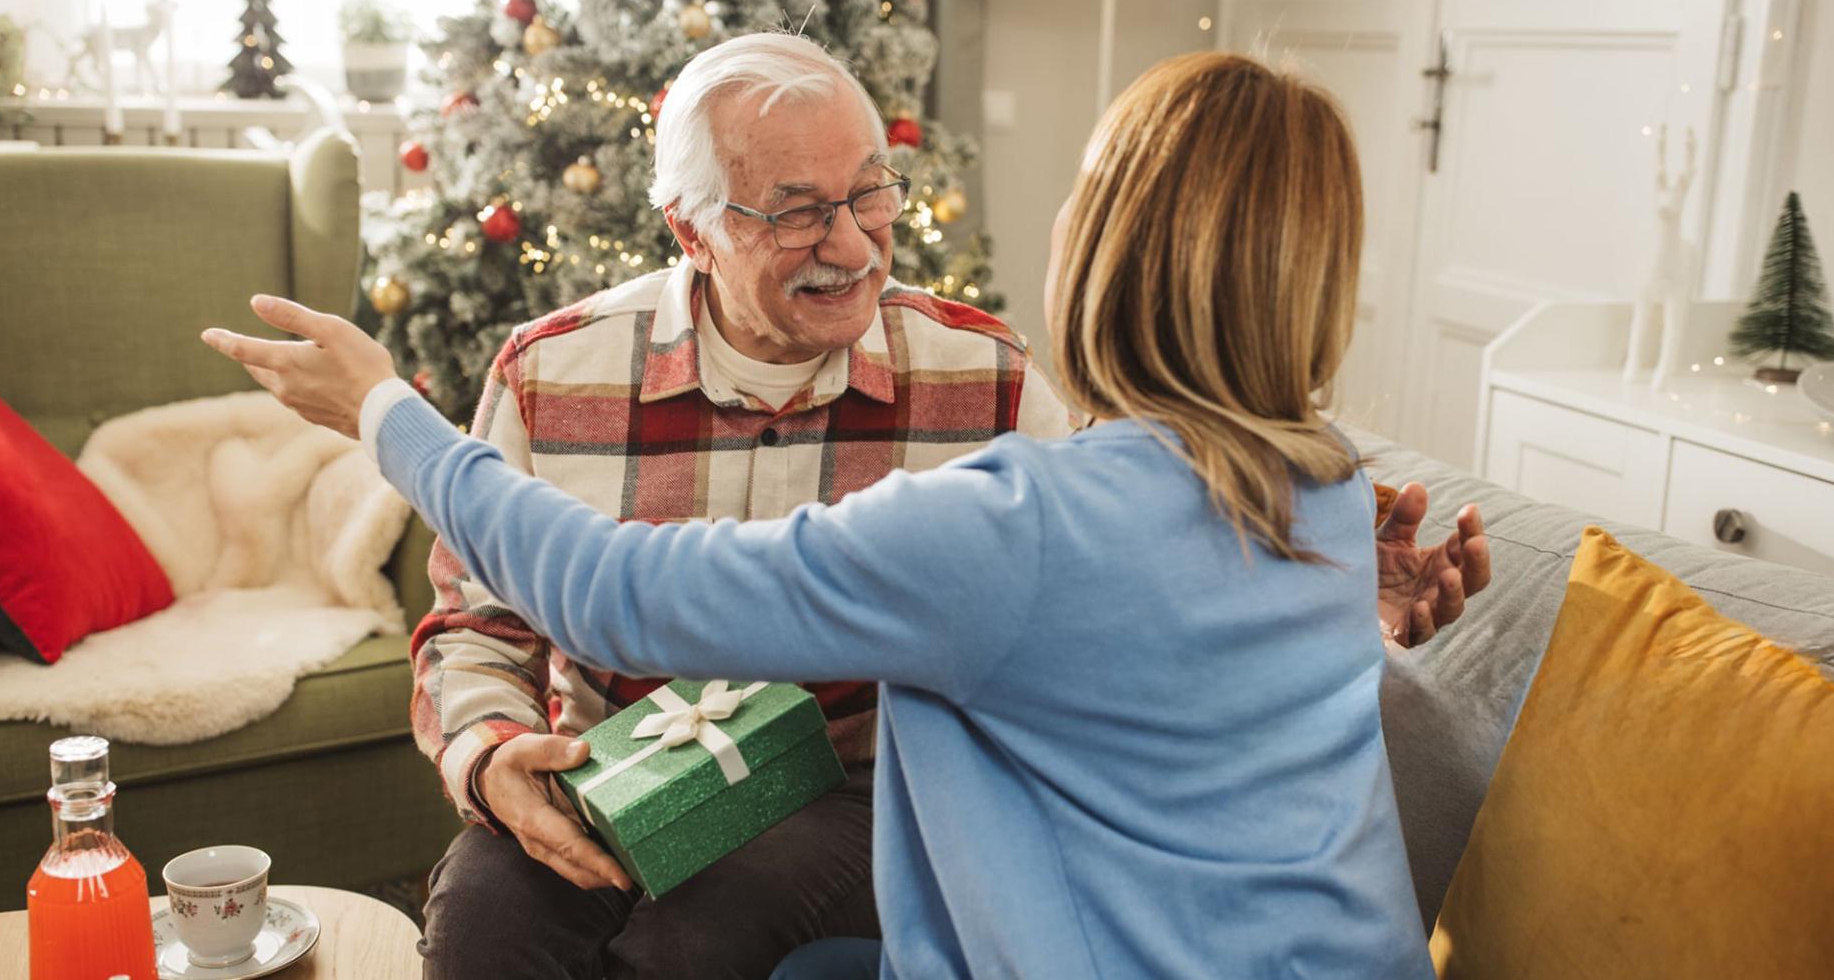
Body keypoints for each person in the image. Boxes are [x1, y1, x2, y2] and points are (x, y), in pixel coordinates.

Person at [208, 49, 1462, 978]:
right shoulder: (1324, 484)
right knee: (484, 924)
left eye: (871, 196)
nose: (856, 246)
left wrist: (383, 411)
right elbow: (1153, 597)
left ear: (1102, 256)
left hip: (847, 804)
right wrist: (485, 759)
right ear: (689, 228)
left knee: (695, 939)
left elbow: (619, 589)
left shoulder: (1012, 481)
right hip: (608, 774)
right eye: (797, 210)